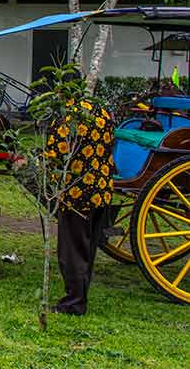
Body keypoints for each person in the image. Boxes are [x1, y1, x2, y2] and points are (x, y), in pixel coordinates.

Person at [43, 95, 115, 316]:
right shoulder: (102, 111)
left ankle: (74, 303)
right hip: (101, 190)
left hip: (76, 195)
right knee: (88, 249)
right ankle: (80, 295)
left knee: (72, 252)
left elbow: (54, 157)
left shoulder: (66, 118)